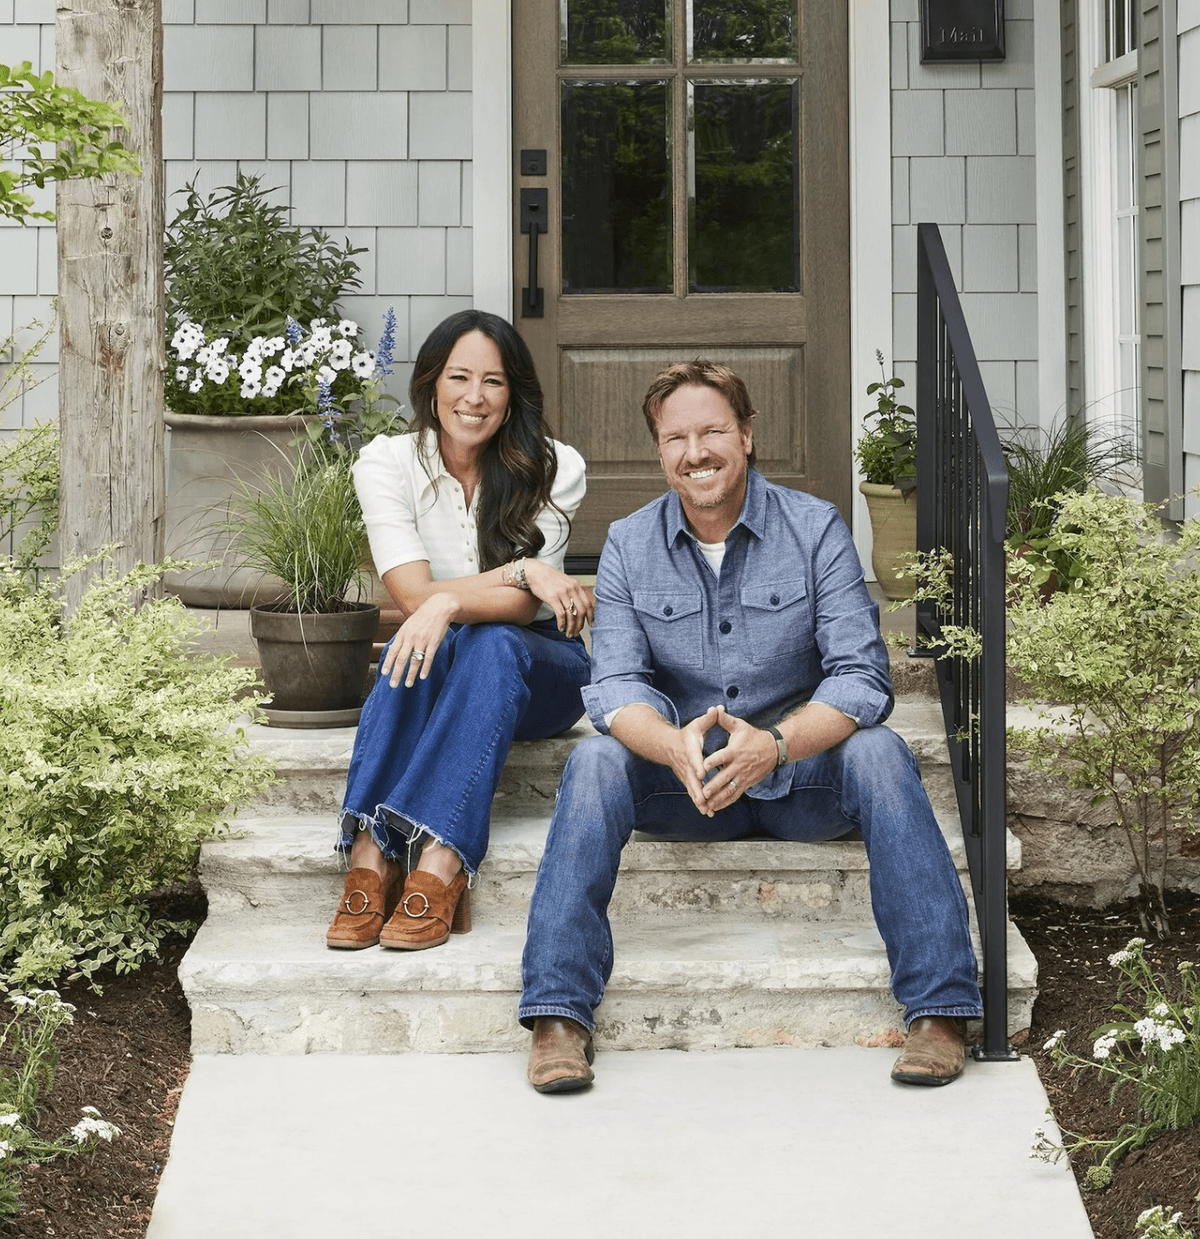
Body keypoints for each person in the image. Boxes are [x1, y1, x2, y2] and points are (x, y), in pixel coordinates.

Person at [518, 359, 984, 1092]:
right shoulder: (629, 544)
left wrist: (775, 744)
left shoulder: (813, 527)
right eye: (677, 437)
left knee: (881, 752)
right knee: (595, 762)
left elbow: (863, 676)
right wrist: (671, 744)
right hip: (689, 789)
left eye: (712, 431)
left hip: (802, 781)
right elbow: (612, 686)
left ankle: (939, 1009)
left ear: (747, 434)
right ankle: (557, 1017)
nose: (695, 451)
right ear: (659, 450)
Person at [326, 310, 593, 953]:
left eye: (494, 382)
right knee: (418, 641)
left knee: (489, 641)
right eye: (460, 377)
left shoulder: (555, 466)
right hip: (436, 666)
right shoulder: (387, 462)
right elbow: (411, 596)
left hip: (543, 675)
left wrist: (446, 606)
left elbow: (525, 612)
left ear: (514, 394)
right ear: (431, 383)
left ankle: (441, 861)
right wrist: (520, 569)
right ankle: (372, 857)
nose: (475, 398)